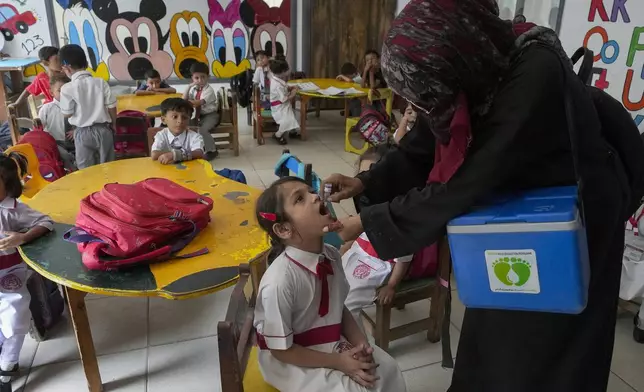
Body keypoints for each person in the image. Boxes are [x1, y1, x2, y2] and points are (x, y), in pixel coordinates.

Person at [322, 1, 630, 391]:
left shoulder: (532, 73)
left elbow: (467, 182)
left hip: (571, 222)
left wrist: (368, 221)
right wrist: (367, 182)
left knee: (553, 342)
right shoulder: (470, 69)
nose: (420, 110)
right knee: (497, 319)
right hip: (516, 218)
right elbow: (431, 134)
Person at [253, 177, 406, 392]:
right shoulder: (280, 282)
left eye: (311, 191)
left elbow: (338, 307)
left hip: (328, 338)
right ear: (284, 230)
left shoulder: (332, 255)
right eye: (299, 199)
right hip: (291, 358)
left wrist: (361, 344)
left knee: (387, 369)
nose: (315, 197)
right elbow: (280, 350)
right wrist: (340, 362)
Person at [0, 153, 53, 391]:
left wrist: (23, 237)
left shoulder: (14, 210)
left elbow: (46, 221)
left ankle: (6, 368)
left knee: (15, 320)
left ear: (7, 183)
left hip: (8, 275)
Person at [342, 146, 412, 325]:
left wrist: (391, 286)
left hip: (378, 267)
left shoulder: (399, 216)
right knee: (329, 285)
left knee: (347, 304)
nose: (366, 186)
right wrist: (348, 245)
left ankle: (355, 344)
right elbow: (360, 234)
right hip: (358, 255)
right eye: (363, 177)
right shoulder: (368, 205)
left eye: (373, 178)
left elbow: (404, 257)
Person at [58, 44, 116, 169]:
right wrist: (113, 124)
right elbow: (112, 106)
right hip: (103, 130)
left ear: (66, 67)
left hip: (82, 133)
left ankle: (90, 188)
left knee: (86, 170)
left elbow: (67, 113)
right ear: (85, 63)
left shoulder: (67, 88)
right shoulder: (101, 82)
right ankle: (108, 187)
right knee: (108, 166)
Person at [37, 73, 76, 170]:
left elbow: (83, 122)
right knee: (64, 156)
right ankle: (72, 170)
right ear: (51, 92)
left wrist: (76, 131)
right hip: (56, 144)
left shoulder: (76, 106)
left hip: (76, 142)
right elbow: (39, 130)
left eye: (67, 91)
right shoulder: (47, 109)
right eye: (60, 91)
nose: (64, 94)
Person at [151, 98, 204, 165]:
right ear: (163, 120)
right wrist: (185, 155)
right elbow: (154, 154)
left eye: (184, 117)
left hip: (189, 173)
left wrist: (175, 155)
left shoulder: (195, 137)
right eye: (174, 117)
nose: (180, 121)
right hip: (166, 172)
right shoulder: (161, 135)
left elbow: (199, 153)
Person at [8, 47, 62, 111]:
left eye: (61, 59)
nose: (60, 62)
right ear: (45, 63)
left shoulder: (66, 73)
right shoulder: (42, 78)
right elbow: (28, 90)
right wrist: (17, 103)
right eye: (57, 60)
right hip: (52, 109)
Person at [183, 62, 218, 160]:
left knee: (202, 130)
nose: (200, 80)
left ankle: (212, 150)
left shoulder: (209, 90)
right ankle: (191, 149)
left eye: (203, 77)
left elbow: (198, 103)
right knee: (185, 126)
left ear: (208, 77)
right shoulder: (193, 88)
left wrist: (187, 102)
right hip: (197, 115)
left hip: (210, 115)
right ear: (192, 78)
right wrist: (189, 86)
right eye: (196, 78)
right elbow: (184, 99)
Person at [269, 59, 299, 145]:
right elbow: (284, 99)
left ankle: (292, 132)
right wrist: (294, 92)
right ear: (282, 72)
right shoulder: (277, 85)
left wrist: (290, 87)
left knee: (292, 116)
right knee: (287, 120)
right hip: (279, 107)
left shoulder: (276, 79)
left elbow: (284, 86)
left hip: (282, 106)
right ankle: (277, 135)